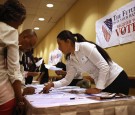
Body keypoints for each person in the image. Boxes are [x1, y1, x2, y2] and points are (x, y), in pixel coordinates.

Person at [42, 30, 129, 95]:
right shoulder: (70, 59)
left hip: (117, 79)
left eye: (60, 44)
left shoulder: (84, 47)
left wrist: (97, 89)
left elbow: (104, 66)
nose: (59, 48)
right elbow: (67, 79)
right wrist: (52, 84)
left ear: (68, 42)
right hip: (104, 84)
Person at [0, 0, 26, 114]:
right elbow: (14, 70)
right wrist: (20, 100)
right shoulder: (10, 31)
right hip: (3, 94)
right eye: (20, 24)